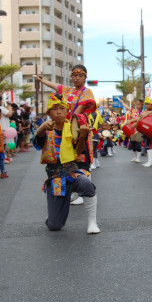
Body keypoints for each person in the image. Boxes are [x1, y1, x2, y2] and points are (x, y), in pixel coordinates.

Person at [33, 93, 100, 234]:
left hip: (72, 173)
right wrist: (41, 128)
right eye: (54, 109)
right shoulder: (46, 129)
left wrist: (82, 136)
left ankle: (92, 222)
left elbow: (79, 151)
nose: (58, 112)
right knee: (55, 226)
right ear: (49, 112)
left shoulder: (72, 128)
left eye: (62, 108)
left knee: (86, 183)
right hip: (56, 177)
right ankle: (53, 215)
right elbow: (38, 141)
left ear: (67, 111)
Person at [118, 98, 144, 164]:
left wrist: (131, 121)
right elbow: (127, 107)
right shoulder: (133, 110)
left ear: (142, 105)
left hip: (138, 128)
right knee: (132, 144)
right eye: (136, 104)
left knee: (138, 143)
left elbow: (139, 119)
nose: (137, 106)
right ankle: (135, 156)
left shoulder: (143, 112)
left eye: (139, 104)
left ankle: (138, 157)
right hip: (131, 128)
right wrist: (122, 102)